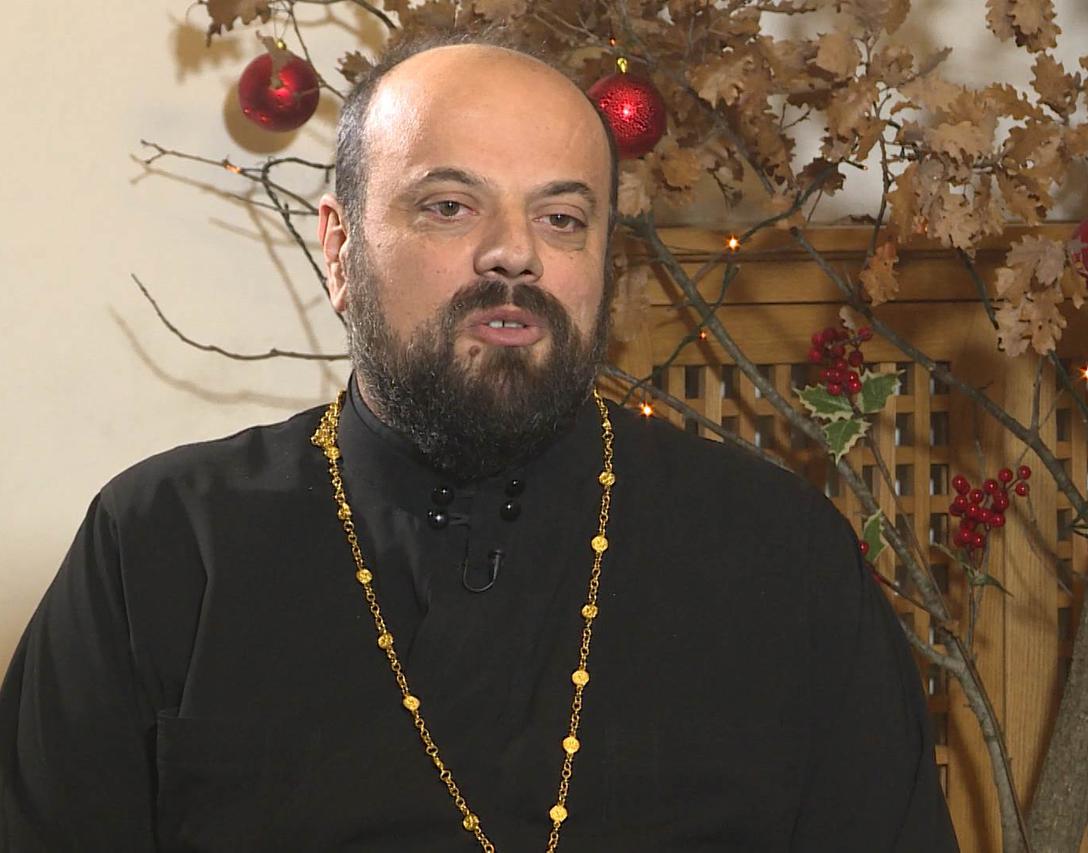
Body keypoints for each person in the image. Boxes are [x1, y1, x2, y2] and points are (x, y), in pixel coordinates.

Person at [0, 30, 958, 853]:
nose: (515, 252)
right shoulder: (159, 543)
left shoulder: (782, 555)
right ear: (339, 249)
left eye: (562, 217)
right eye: (449, 206)